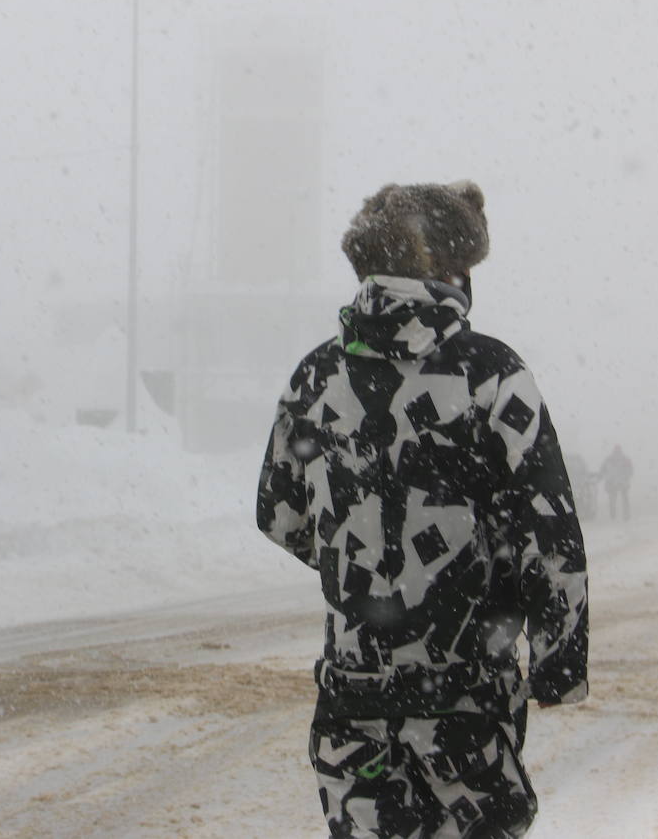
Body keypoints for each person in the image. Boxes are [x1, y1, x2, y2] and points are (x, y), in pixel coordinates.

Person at [257, 181, 589, 838]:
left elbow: (281, 515)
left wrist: (366, 572)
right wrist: (558, 658)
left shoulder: (316, 377)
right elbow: (548, 530)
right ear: (449, 270)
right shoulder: (491, 372)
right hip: (466, 701)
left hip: (353, 701)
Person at [597, 445, 633, 522]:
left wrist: (600, 477)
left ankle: (615, 514)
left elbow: (603, 470)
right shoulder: (625, 459)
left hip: (615, 482)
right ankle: (623, 514)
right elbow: (630, 470)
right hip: (618, 482)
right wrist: (627, 476)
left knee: (614, 499)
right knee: (621, 499)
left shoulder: (610, 459)